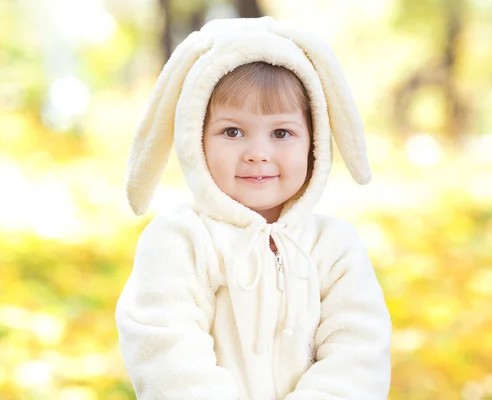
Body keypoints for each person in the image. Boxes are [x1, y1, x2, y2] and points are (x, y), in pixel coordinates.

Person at [115, 16, 392, 400]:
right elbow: (166, 353)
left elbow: (359, 354)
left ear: (314, 143)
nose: (257, 154)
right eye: (232, 131)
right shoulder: (178, 242)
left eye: (282, 133)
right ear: (195, 139)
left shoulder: (335, 247)